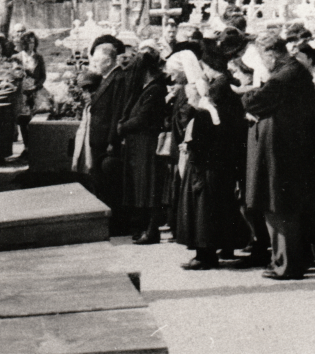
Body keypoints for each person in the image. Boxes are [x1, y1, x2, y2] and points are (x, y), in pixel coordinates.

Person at [242, 31, 315, 280]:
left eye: (262, 56)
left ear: (271, 52)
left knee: (280, 206)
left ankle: (286, 263)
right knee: (277, 206)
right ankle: (282, 260)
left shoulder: (285, 74)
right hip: (284, 149)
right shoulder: (291, 71)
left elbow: (254, 101)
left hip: (282, 152)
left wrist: (249, 96)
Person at [176, 39, 248, 269]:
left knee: (204, 206)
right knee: (218, 204)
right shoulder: (224, 86)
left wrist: (193, 104)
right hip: (220, 157)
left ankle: (205, 253)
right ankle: (221, 247)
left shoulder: (217, 89)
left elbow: (206, 121)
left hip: (208, 158)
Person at [118, 50, 168, 244]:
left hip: (148, 144)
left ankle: (152, 230)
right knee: (142, 187)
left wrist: (123, 127)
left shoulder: (155, 89)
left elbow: (143, 118)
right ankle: (145, 227)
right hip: (139, 145)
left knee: (150, 188)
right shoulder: (147, 88)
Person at [87, 35, 128, 231]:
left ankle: (115, 223)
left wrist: (113, 141)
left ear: (108, 59)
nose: (93, 64)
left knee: (108, 184)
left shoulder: (118, 78)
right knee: (100, 182)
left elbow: (117, 112)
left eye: (96, 60)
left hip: (106, 142)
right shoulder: (106, 78)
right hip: (99, 140)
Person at [15, 31, 46, 156]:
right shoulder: (17, 57)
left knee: (35, 119)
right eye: (28, 42)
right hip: (21, 92)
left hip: (35, 91)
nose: (31, 45)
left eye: (33, 42)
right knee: (23, 119)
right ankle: (26, 146)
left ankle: (36, 147)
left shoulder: (38, 57)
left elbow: (43, 76)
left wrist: (36, 86)